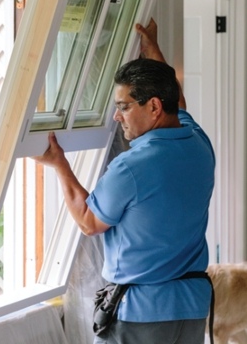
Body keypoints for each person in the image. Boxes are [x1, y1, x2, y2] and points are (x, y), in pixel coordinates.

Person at [33, 19, 215, 344]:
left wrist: (59, 163)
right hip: (190, 307)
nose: (117, 117)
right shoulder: (199, 144)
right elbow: (179, 104)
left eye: (124, 107)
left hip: (140, 313)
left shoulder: (132, 166)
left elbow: (89, 222)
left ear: (154, 107)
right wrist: (153, 51)